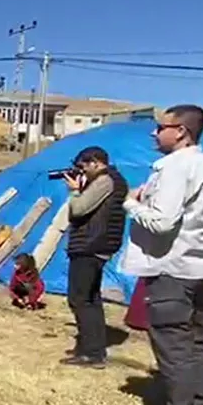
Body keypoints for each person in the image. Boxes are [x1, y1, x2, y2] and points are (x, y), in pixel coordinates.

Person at [119, 105, 203, 405]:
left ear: (180, 131)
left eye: (160, 127)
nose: (154, 133)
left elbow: (163, 221)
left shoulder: (177, 167)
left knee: (173, 344)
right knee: (195, 343)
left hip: (171, 267)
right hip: (198, 268)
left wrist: (131, 204)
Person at [60, 146, 128, 369]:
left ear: (96, 162)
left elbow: (79, 208)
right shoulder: (109, 180)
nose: (82, 171)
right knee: (90, 298)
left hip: (91, 244)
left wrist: (75, 191)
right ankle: (91, 347)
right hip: (96, 244)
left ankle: (92, 353)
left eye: (83, 166)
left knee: (80, 298)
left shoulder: (104, 181)